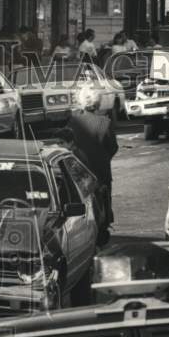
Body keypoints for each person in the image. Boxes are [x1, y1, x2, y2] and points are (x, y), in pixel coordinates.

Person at [66, 87, 118, 241]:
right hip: (100, 170)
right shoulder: (104, 123)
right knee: (103, 200)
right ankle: (102, 230)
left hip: (78, 170)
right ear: (98, 103)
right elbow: (113, 147)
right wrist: (103, 158)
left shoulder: (73, 122)